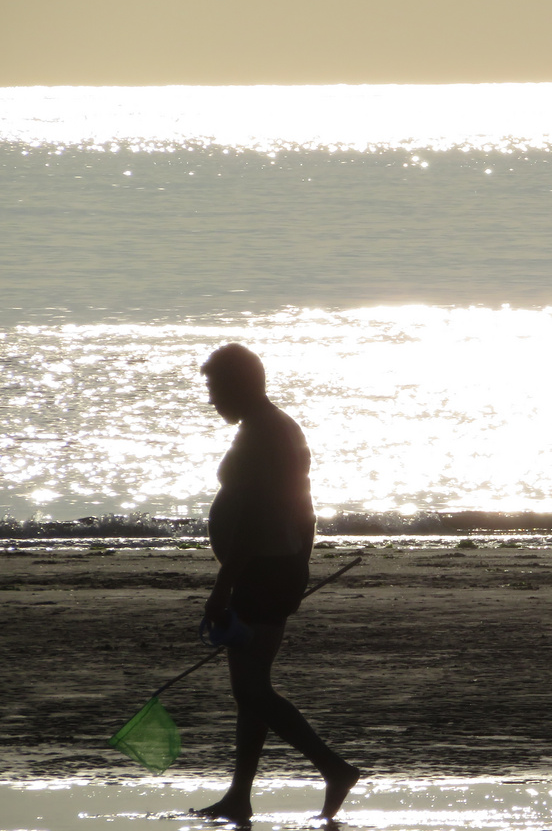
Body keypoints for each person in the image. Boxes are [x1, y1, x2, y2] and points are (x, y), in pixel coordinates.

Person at [192, 343, 359, 824]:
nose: (212, 401)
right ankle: (239, 796)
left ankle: (333, 768)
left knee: (251, 690)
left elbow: (256, 521)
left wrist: (225, 584)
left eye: (216, 389)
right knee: (251, 686)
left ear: (240, 385)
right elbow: (302, 512)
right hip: (273, 569)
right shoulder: (272, 428)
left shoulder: (265, 434)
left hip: (261, 572)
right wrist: (297, 565)